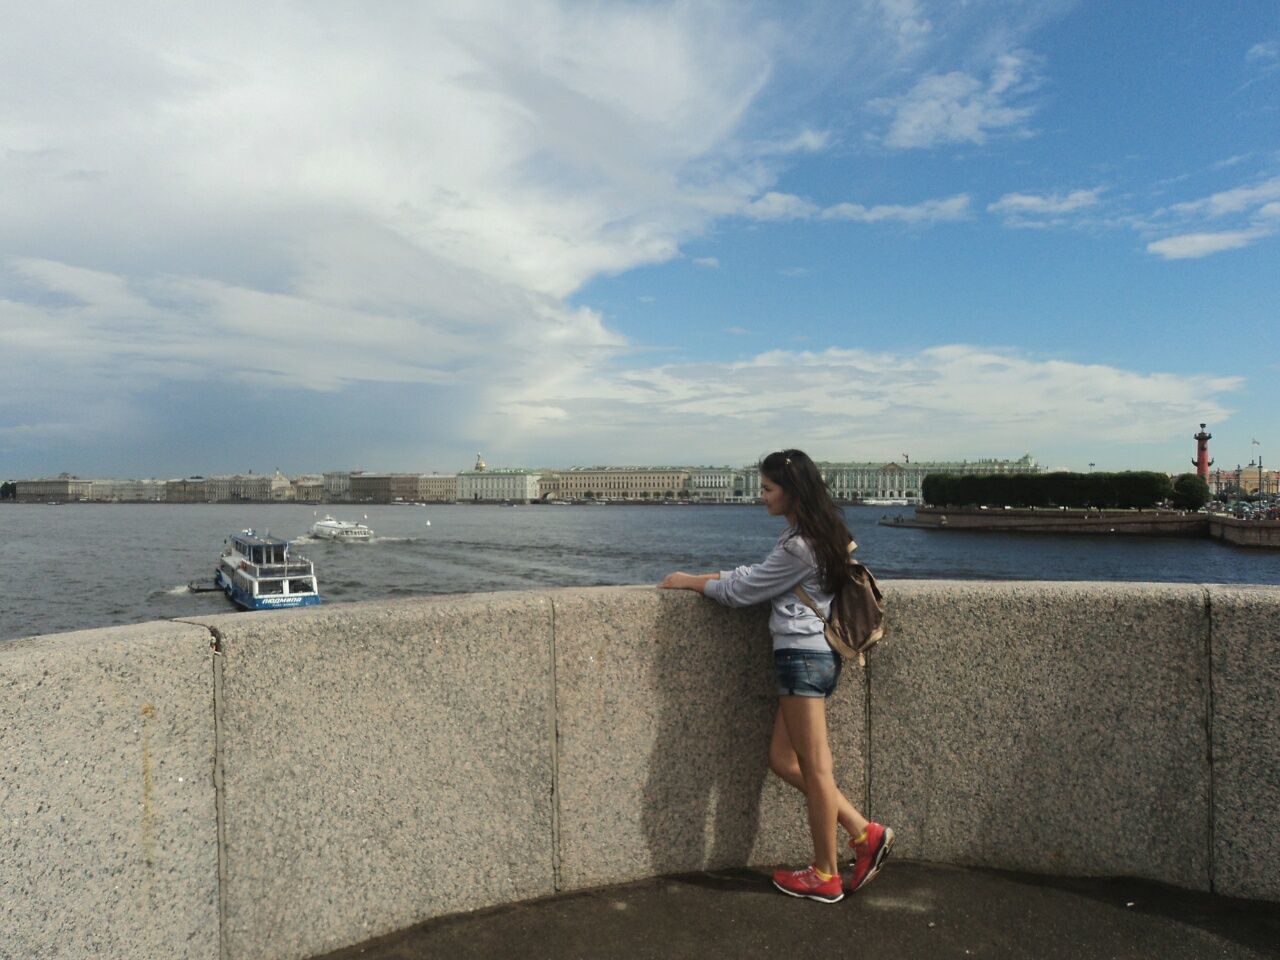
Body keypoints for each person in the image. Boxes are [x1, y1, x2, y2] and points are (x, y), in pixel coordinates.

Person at [659, 449, 893, 903]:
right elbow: (761, 576)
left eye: (768, 489)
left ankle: (825, 874)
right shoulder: (817, 536)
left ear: (792, 491)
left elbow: (743, 591)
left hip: (801, 658)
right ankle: (864, 833)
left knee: (816, 770)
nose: (761, 496)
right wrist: (713, 574)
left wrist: (690, 580)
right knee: (783, 760)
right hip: (814, 657)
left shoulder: (799, 546)